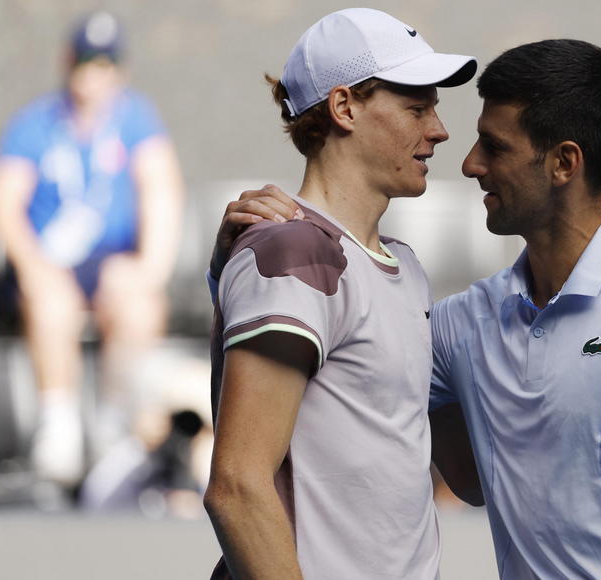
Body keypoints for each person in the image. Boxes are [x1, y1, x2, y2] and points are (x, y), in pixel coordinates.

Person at [214, 41, 601, 579]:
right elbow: (452, 472)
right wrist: (240, 271)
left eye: (494, 146)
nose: (468, 163)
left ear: (564, 162)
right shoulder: (458, 324)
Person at [202, 8, 476, 579]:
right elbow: (236, 487)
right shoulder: (293, 252)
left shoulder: (403, 264)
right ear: (344, 107)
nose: (440, 129)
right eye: (416, 107)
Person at [0, 11, 184, 485]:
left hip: (109, 260)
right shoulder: (34, 123)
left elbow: (161, 191)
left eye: (106, 64)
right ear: (68, 63)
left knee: (138, 303)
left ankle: (115, 426)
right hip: (47, 261)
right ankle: (60, 426)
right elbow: (4, 204)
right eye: (86, 62)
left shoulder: (137, 120)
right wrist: (32, 266)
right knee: (52, 301)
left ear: (121, 70)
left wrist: (149, 269)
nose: (95, 75)